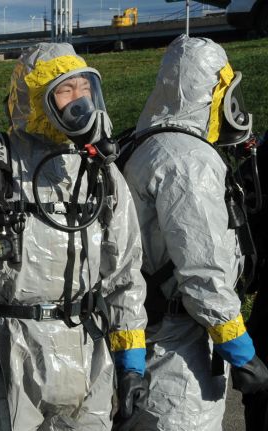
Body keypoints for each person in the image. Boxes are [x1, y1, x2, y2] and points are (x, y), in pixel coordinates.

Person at [0, 42, 148, 430]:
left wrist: (131, 360)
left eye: (84, 88)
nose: (79, 101)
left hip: (87, 348)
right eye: (65, 90)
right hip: (12, 351)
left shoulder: (99, 171)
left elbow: (124, 268)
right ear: (36, 100)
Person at [121, 34, 268, 430]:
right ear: (212, 93)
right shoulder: (190, 162)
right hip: (180, 353)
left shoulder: (141, 144)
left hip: (143, 336)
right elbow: (204, 271)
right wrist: (242, 352)